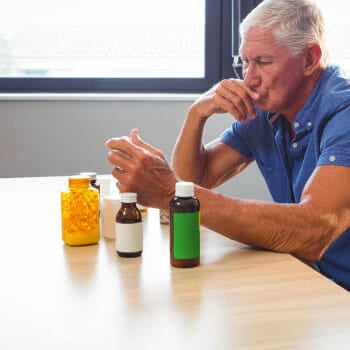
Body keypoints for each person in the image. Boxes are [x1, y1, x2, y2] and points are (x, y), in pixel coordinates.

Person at [105, 0, 350, 289]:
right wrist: (196, 113)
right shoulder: (267, 110)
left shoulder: (343, 113)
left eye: (263, 62)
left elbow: (314, 231)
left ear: (309, 59)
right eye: (244, 62)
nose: (249, 78)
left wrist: (169, 192)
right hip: (309, 280)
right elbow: (195, 180)